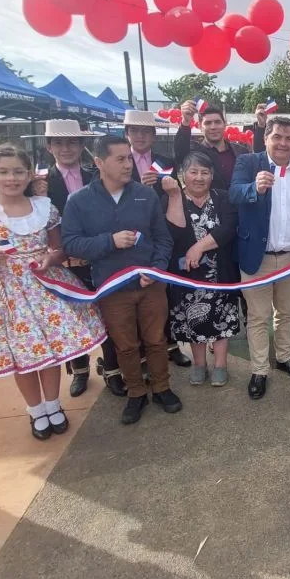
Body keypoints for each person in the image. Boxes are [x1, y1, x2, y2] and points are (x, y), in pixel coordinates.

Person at [0, 144, 107, 440]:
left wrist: (51, 258)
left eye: (19, 171)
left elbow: (60, 249)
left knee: (51, 352)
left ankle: (53, 405)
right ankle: (35, 411)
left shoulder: (44, 207)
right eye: (4, 172)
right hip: (4, 293)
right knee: (22, 356)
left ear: (30, 174)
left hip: (43, 286)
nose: (12, 178)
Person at [62, 135, 181, 424]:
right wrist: (110, 242)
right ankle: (136, 392)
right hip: (112, 288)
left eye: (129, 158)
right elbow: (71, 244)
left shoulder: (146, 195)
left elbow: (163, 238)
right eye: (120, 159)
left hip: (150, 284)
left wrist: (155, 269)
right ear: (99, 162)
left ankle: (162, 387)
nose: (129, 164)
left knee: (156, 339)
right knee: (125, 345)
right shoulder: (79, 201)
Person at [27, 119, 124, 397]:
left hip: (98, 257)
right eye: (59, 142)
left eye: (72, 142)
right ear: (49, 147)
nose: (66, 148)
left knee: (108, 316)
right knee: (71, 319)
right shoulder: (38, 183)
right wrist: (37, 198)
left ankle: (113, 370)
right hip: (64, 263)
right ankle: (79, 371)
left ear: (82, 145)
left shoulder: (97, 174)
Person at [229, 116, 290, 400]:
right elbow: (233, 194)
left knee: (286, 312)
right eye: (277, 136)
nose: (283, 143)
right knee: (258, 317)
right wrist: (253, 189)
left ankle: (284, 358)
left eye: (288, 138)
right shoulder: (249, 164)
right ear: (266, 137)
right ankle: (259, 370)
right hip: (257, 257)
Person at [162, 152, 240, 387]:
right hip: (187, 277)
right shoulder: (172, 199)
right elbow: (172, 233)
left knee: (221, 320)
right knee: (192, 320)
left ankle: (220, 364)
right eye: (193, 171)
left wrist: (197, 248)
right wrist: (174, 195)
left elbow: (228, 229)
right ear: (182, 175)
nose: (199, 177)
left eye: (205, 172)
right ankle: (198, 363)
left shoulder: (223, 198)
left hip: (220, 274)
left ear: (212, 176)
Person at [124, 109, 191, 368]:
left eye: (145, 131)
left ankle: (171, 344)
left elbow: (173, 192)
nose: (140, 136)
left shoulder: (164, 161)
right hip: (130, 239)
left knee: (167, 292)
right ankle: (141, 350)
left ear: (153, 135)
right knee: (134, 296)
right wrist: (139, 185)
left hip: (164, 235)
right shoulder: (119, 161)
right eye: (135, 131)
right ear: (127, 133)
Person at [175, 101, 251, 190]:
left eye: (217, 122)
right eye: (208, 123)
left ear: (225, 124)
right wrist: (185, 121)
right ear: (200, 126)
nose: (213, 127)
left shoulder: (241, 151)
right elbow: (180, 154)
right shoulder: (195, 153)